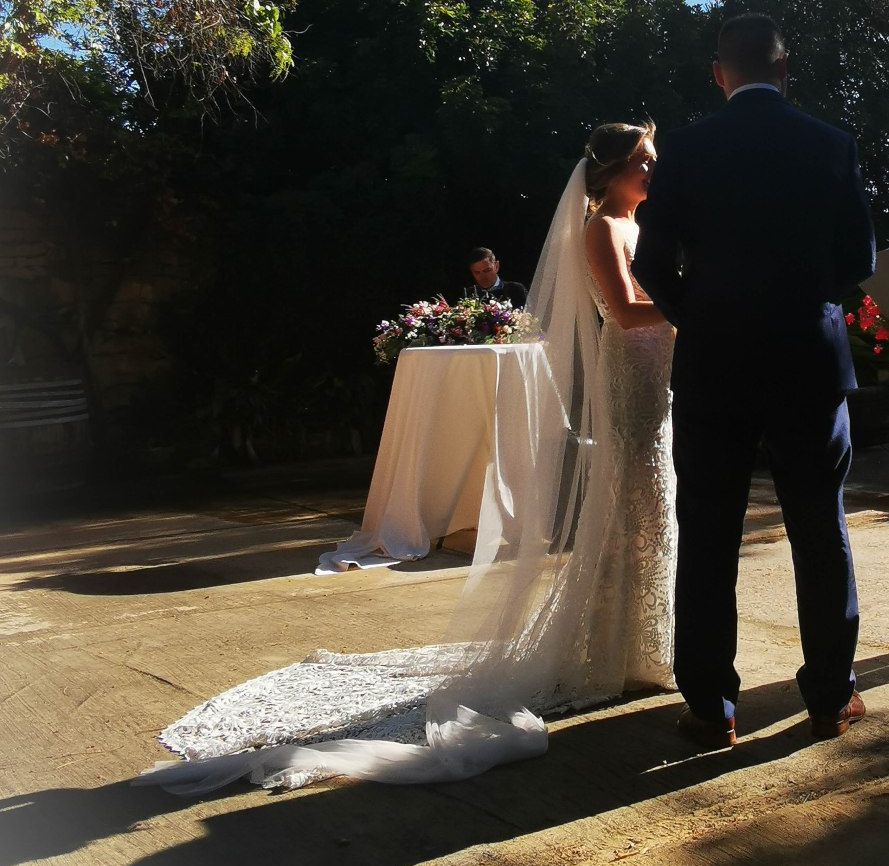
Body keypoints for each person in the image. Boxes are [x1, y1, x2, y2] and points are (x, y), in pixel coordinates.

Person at [136, 123, 676, 794]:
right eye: (642, 160)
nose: (653, 169)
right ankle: (619, 649)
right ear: (610, 171)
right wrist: (697, 302)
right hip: (631, 374)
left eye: (653, 159)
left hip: (654, 375)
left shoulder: (636, 224)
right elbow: (623, 311)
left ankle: (640, 642)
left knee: (649, 511)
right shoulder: (601, 228)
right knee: (636, 507)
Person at [633, 12, 876, 749]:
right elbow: (859, 258)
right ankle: (830, 697)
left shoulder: (686, 148)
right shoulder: (831, 144)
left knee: (709, 531)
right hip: (808, 362)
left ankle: (712, 708)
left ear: (719, 74)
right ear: (784, 67)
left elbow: (650, 263)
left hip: (715, 364)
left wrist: (700, 315)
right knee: (820, 525)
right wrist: (806, 302)